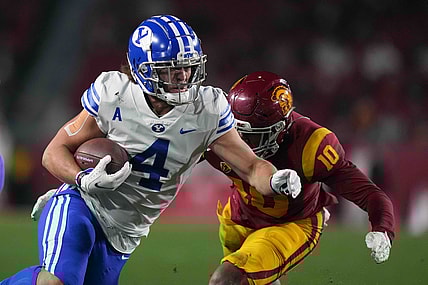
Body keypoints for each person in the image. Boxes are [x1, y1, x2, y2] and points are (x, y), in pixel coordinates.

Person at [0, 16, 302, 285]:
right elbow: (54, 152)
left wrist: (275, 180)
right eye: (172, 70)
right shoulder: (114, 94)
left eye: (188, 67)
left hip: (124, 237)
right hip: (83, 205)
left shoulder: (208, 109)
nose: (184, 76)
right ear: (142, 70)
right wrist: (82, 179)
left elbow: (251, 167)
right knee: (56, 282)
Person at [206, 71, 395, 285]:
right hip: (240, 217)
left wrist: (383, 228)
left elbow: (369, 193)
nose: (240, 141)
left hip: (292, 224)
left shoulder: (311, 146)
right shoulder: (218, 130)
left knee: (227, 280)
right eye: (236, 130)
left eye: (251, 135)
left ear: (280, 128)